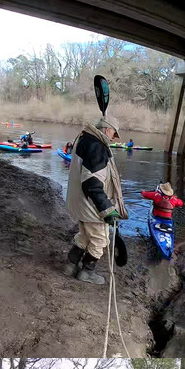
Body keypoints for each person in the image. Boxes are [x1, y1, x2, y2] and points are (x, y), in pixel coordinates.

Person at [63, 116, 128, 285]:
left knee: (85, 234)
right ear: (107, 130)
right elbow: (92, 184)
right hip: (90, 204)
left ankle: (70, 265)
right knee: (100, 239)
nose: (113, 138)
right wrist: (107, 209)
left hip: (79, 201)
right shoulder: (97, 146)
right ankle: (86, 272)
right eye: (114, 133)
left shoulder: (84, 138)